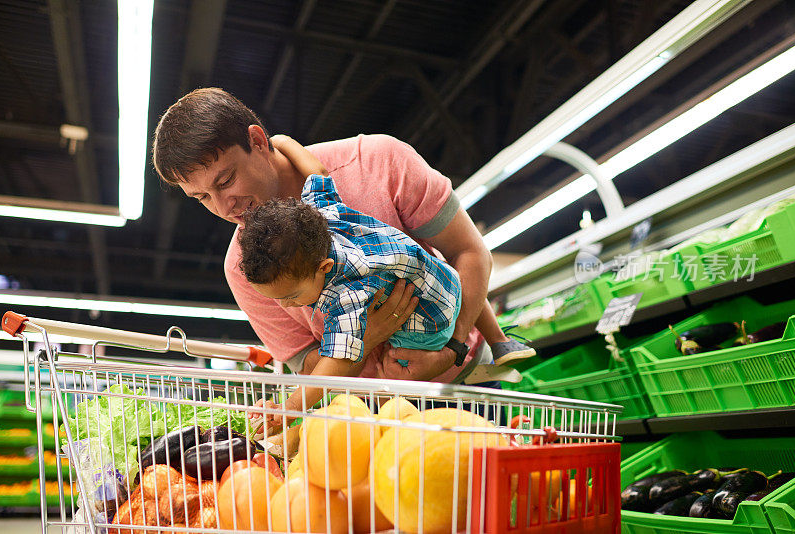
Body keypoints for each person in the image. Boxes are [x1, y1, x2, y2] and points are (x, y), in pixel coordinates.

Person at [152, 87, 531, 389]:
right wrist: (365, 339)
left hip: (466, 383)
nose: (223, 207)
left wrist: (452, 346)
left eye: (225, 180)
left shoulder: (378, 162)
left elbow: (469, 252)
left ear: (258, 141)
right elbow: (306, 363)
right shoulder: (244, 268)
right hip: (370, 421)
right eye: (201, 198)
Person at [238, 135, 467, 414]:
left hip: (433, 318)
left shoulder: (347, 292)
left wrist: (290, 407)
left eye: (292, 296)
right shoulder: (322, 213)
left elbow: (338, 359)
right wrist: (283, 141)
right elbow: (317, 172)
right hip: (444, 277)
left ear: (324, 268)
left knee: (390, 380)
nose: (286, 305)